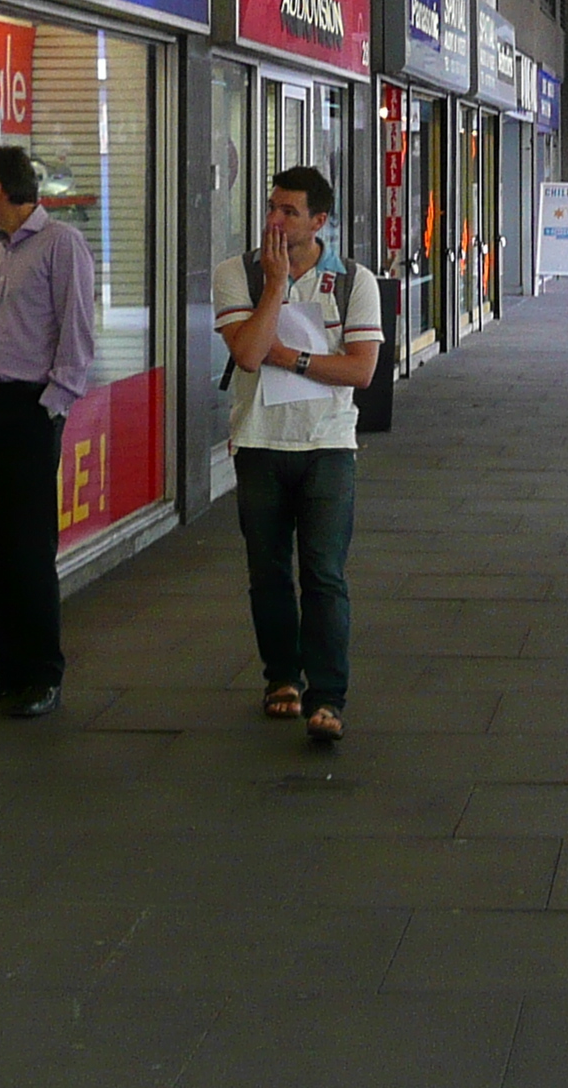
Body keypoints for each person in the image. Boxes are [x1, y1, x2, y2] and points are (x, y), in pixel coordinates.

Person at [218, 165, 382, 744]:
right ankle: (281, 679)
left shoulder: (356, 280)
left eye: (289, 212)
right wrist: (275, 287)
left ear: (320, 221)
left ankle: (329, 696)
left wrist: (292, 359)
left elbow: (360, 370)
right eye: (271, 208)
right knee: (266, 573)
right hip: (260, 442)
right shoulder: (236, 274)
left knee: (323, 573)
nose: (275, 221)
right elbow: (246, 354)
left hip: (328, 445)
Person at [0, 144, 96, 719]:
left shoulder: (62, 245)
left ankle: (41, 673)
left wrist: (49, 408)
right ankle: (7, 667)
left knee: (29, 549)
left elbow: (77, 334)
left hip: (26, 410)